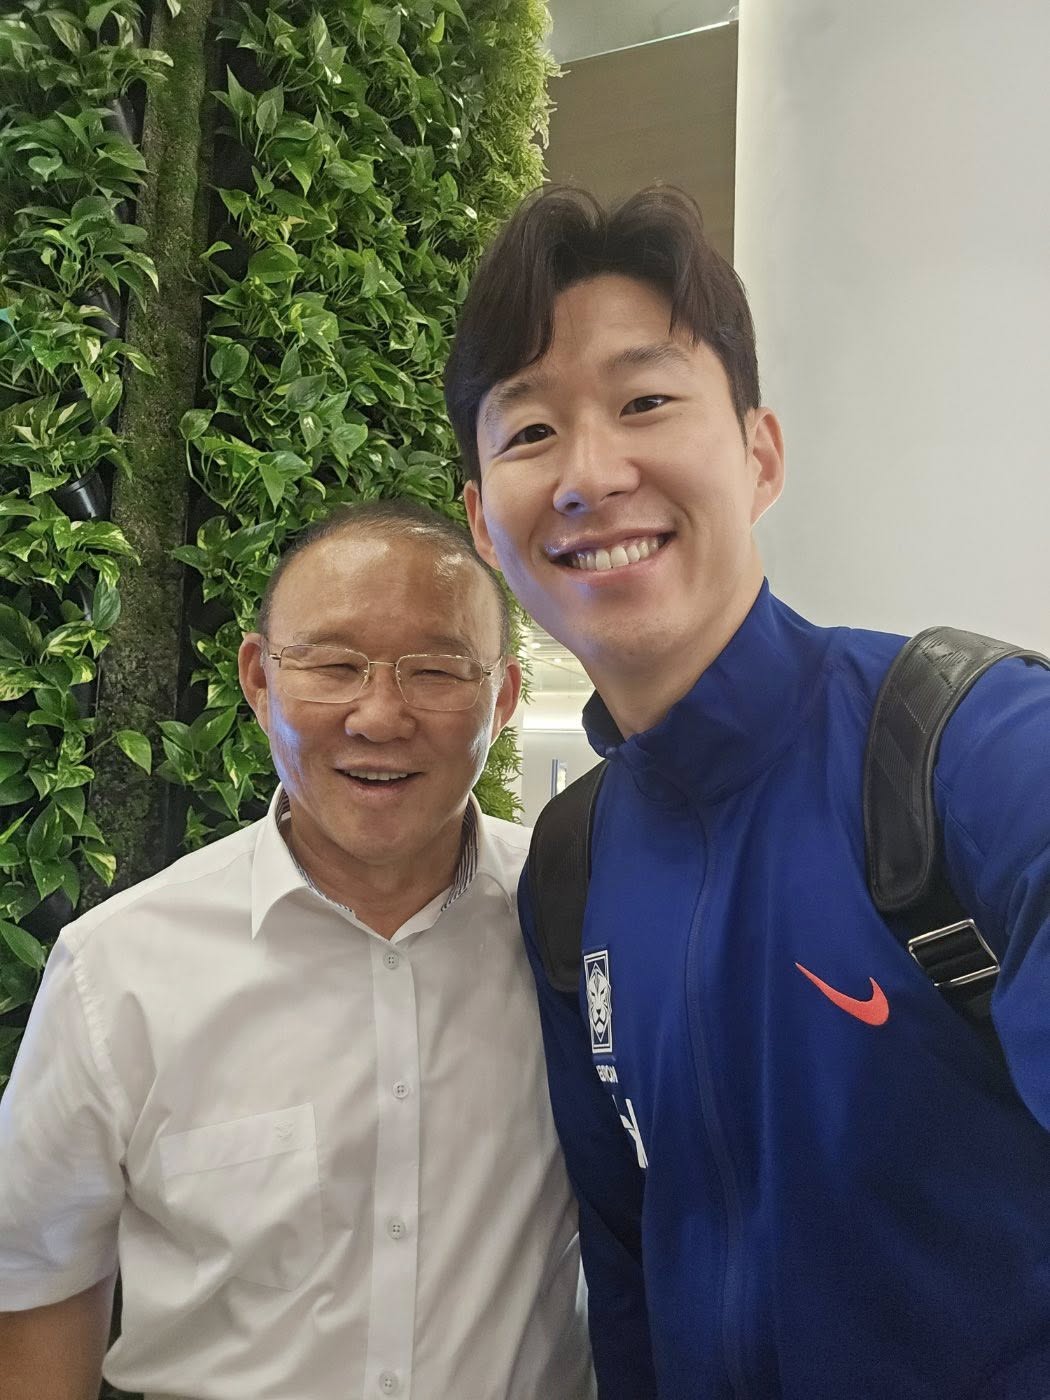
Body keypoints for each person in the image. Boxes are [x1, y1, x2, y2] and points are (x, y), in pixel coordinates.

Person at [444, 186, 1050, 1399]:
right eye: (531, 430)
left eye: (645, 401)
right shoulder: (571, 865)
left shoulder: (975, 751)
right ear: (483, 524)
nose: (591, 472)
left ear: (760, 454)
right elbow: (626, 1271)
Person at [0, 501, 595, 1400]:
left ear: (503, 698)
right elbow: (36, 1291)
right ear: (259, 678)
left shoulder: (577, 922)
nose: (379, 716)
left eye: (437, 670)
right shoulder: (117, 970)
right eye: (333, 665)